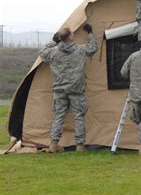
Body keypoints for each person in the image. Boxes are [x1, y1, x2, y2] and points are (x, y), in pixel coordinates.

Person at [39, 24, 98, 153]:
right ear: (69, 38)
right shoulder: (80, 50)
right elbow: (93, 48)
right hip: (76, 89)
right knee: (79, 116)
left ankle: (53, 144)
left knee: (59, 116)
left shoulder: (53, 51)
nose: (73, 35)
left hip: (59, 89)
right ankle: (80, 145)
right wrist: (90, 33)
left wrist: (53, 41)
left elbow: (42, 52)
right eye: (72, 34)